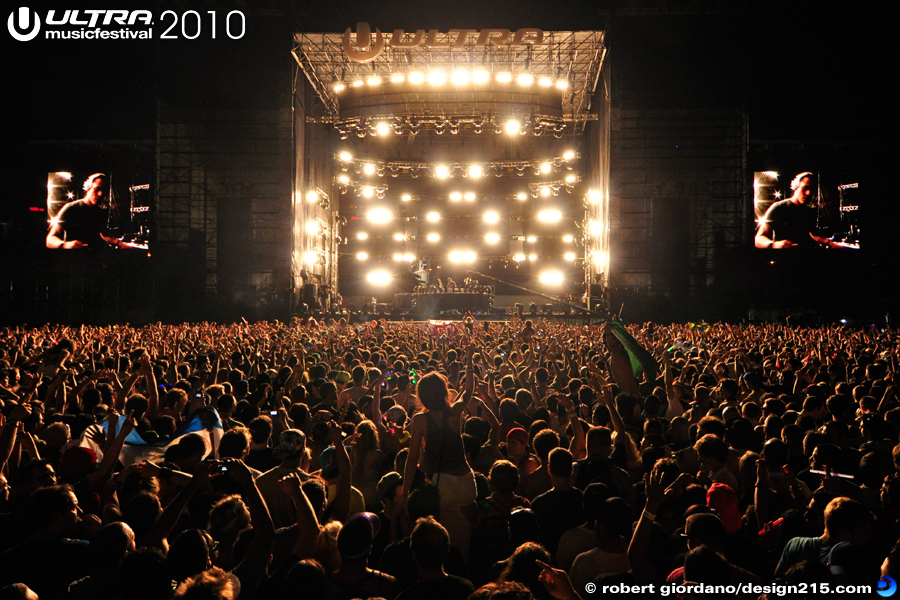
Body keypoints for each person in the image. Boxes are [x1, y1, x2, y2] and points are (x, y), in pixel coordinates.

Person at [402, 370, 477, 557]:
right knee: (469, 528)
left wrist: (405, 491)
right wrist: (468, 361)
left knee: (443, 537)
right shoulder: (454, 411)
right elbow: (468, 391)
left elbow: (412, 458)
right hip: (466, 478)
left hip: (440, 482)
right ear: (444, 391)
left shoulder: (420, 420)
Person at [754, 171, 840, 249]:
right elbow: (758, 239)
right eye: (805, 188)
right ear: (796, 187)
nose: (808, 193)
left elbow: (814, 235)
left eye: (811, 189)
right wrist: (774, 245)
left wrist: (832, 244)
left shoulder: (809, 211)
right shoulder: (778, 207)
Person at [46, 173, 123, 250]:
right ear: (88, 188)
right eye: (97, 189)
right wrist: (65, 245)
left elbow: (104, 235)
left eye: (103, 191)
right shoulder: (71, 208)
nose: (100, 194)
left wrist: (120, 244)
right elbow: (50, 239)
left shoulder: (100, 212)